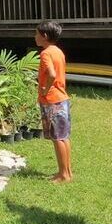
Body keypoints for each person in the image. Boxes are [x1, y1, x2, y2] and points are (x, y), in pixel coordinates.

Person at [34, 21, 72, 184]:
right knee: (63, 137)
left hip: (52, 100)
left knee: (58, 138)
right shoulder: (58, 51)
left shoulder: (46, 53)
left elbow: (51, 74)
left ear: (45, 36)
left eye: (36, 34)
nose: (34, 37)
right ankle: (66, 172)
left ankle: (64, 175)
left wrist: (44, 89)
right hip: (62, 98)